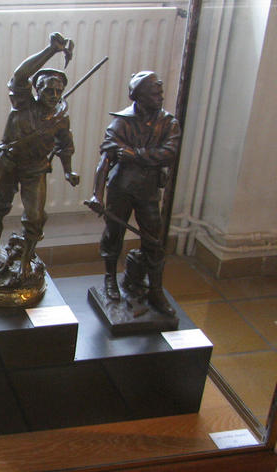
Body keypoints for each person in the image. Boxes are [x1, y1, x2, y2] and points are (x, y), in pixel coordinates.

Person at [0, 32, 80, 276]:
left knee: (36, 216)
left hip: (35, 169)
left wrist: (68, 171)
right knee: (0, 202)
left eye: (58, 91)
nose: (54, 96)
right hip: (9, 162)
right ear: (37, 90)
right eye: (49, 91)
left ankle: (26, 258)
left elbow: (65, 145)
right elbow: (20, 75)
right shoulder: (23, 103)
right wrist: (51, 50)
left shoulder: (61, 118)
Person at [89, 71, 181, 315]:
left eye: (160, 93)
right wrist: (97, 195)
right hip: (121, 188)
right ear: (138, 96)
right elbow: (105, 162)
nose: (160, 97)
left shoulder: (169, 123)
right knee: (113, 235)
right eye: (154, 94)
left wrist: (134, 154)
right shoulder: (121, 123)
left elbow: (169, 154)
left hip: (148, 191)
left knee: (154, 241)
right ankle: (110, 278)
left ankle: (156, 290)